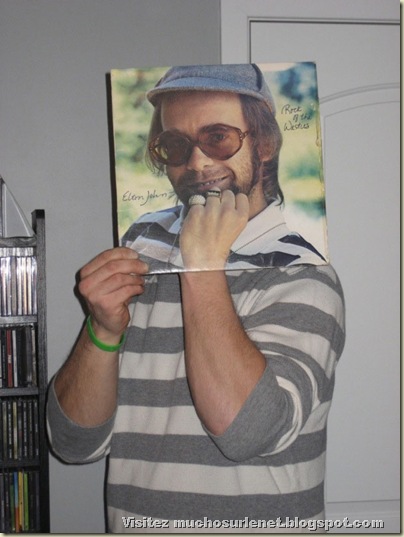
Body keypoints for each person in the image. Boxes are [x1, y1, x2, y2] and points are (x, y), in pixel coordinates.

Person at [47, 64, 345, 533]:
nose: (198, 162)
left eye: (219, 138)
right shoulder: (141, 244)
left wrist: (202, 267)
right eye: (175, 145)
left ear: (264, 144)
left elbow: (246, 433)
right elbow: (72, 444)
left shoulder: (303, 272)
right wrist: (101, 331)